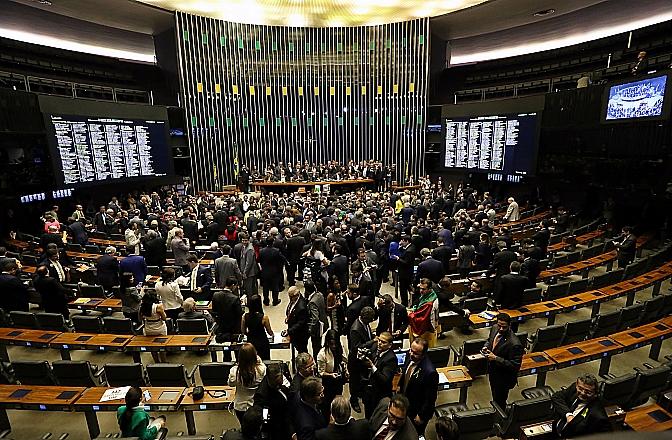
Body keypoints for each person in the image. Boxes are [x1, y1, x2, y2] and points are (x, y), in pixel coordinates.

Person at [397, 337, 439, 436]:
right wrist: (400, 385)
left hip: (417, 411)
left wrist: (421, 416)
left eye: (416, 353)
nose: (411, 354)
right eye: (411, 350)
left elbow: (430, 398)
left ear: (423, 354)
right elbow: (404, 372)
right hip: (406, 404)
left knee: (413, 434)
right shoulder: (410, 356)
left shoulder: (430, 372)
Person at [482, 313, 523, 408]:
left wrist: (496, 358)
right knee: (495, 396)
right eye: (499, 325)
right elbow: (490, 340)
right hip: (493, 371)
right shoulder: (494, 328)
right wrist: (486, 347)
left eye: (503, 327)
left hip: (503, 378)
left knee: (500, 401)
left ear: (509, 325)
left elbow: (515, 365)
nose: (500, 329)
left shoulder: (515, 343)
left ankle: (500, 418)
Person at [551, 374, 611, 438]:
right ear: (577, 385)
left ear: (595, 393)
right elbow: (556, 397)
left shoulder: (598, 415)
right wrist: (568, 414)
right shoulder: (574, 388)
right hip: (554, 431)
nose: (583, 393)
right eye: (580, 388)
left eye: (588, 392)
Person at [360, 331, 399, 418]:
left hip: (379, 395)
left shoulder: (391, 359)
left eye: (383, 342)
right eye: (379, 340)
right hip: (369, 390)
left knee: (376, 417)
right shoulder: (375, 347)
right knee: (368, 415)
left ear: (390, 345)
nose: (379, 344)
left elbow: (384, 380)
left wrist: (372, 366)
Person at [253, 362, 294, 440]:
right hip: (277, 427)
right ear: (272, 378)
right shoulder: (262, 395)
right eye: (279, 379)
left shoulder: (278, 380)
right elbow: (264, 419)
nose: (282, 380)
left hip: (287, 419)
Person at [228, 343, 267, 423]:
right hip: (256, 405)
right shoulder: (262, 369)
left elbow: (230, 383)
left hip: (240, 406)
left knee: (244, 428)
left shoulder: (235, 371)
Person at [347, 306, 375, 413]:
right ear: (364, 318)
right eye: (370, 319)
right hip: (355, 361)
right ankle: (353, 401)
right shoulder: (355, 329)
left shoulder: (364, 324)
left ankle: (361, 395)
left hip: (363, 359)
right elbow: (357, 347)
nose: (372, 321)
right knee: (354, 382)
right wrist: (373, 341)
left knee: (362, 381)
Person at [316, 330, 348, 418]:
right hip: (328, 382)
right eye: (331, 344)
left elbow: (343, 360)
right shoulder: (322, 354)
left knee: (338, 398)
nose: (333, 346)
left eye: (335, 344)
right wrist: (331, 375)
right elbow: (321, 372)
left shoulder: (339, 348)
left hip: (338, 379)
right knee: (328, 402)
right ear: (327, 343)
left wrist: (345, 370)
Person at [212, 277, 243, 361]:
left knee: (225, 350)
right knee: (237, 351)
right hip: (234, 329)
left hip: (221, 328)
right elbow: (239, 315)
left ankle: (226, 366)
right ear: (233, 285)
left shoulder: (216, 295)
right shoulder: (235, 298)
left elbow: (214, 312)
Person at [408, 278, 440, 347]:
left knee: (421, 347)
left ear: (429, 289)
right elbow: (418, 302)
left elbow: (422, 318)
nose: (421, 291)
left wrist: (410, 315)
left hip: (426, 329)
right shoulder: (430, 294)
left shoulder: (429, 303)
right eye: (420, 288)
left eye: (423, 289)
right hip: (428, 324)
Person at [242, 294, 274, 360]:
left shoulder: (245, 316)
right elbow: (269, 332)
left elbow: (243, 331)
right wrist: (272, 334)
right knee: (264, 360)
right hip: (262, 342)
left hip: (251, 342)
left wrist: (249, 334)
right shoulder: (264, 318)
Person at [140, 291, 168, 363]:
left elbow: (140, 319)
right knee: (162, 346)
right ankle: (164, 362)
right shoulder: (158, 307)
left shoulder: (142, 307)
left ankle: (156, 362)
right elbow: (164, 318)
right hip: (159, 328)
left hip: (148, 329)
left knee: (152, 347)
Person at [258, 237, 287, 306]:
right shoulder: (276, 251)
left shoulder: (262, 251)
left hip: (265, 271)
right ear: (273, 242)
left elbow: (259, 260)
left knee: (265, 287)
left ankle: (266, 301)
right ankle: (275, 301)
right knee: (275, 287)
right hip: (274, 271)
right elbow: (282, 259)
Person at [284, 286, 310, 354]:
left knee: (302, 351)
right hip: (295, 331)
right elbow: (290, 309)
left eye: (291, 296)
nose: (290, 298)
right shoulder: (294, 300)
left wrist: (289, 331)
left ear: (296, 295)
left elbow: (301, 323)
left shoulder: (301, 307)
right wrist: (288, 317)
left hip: (301, 334)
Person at [306, 282, 329, 358]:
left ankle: (317, 360)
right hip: (324, 323)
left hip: (317, 329)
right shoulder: (320, 294)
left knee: (316, 346)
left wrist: (310, 330)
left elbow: (315, 318)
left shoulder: (312, 302)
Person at [393, 235, 416, 307]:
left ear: (407, 241)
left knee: (403, 288)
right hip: (408, 271)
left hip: (405, 272)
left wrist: (398, 259)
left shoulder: (409, 251)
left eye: (403, 241)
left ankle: (404, 303)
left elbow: (406, 262)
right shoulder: (411, 246)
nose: (401, 242)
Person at [240, 232, 261, 297]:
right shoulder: (244, 247)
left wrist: (245, 273)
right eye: (243, 240)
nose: (244, 242)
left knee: (250, 289)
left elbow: (249, 263)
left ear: (248, 240)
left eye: (245, 240)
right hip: (247, 271)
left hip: (250, 272)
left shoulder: (249, 249)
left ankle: (251, 301)